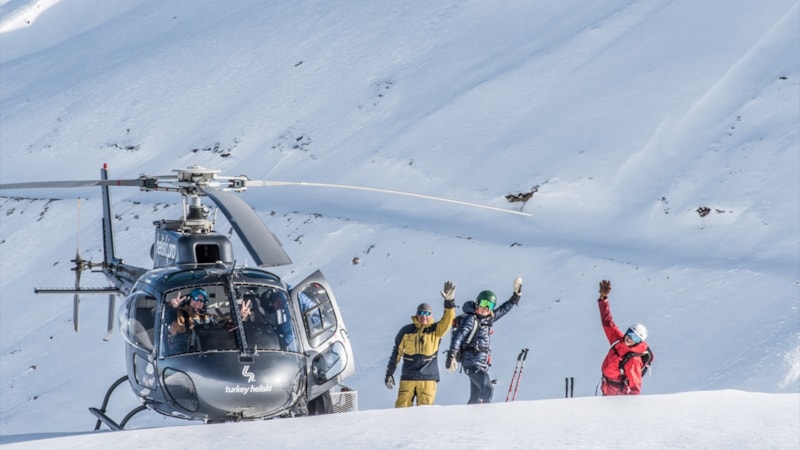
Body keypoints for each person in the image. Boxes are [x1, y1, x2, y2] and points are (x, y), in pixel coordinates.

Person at [446, 277, 522, 404]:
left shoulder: (487, 319)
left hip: (480, 364)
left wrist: (515, 297)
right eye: (483, 303)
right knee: (487, 389)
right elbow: (459, 335)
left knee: (475, 397)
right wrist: (452, 354)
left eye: (489, 305)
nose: (485, 308)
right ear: (477, 303)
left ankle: (469, 415)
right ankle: (485, 414)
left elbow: (503, 310)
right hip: (472, 363)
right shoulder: (470, 319)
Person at [384, 281, 457, 407]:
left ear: (431, 316)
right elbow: (396, 353)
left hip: (428, 378)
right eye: (421, 313)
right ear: (417, 315)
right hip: (408, 377)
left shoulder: (436, 330)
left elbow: (448, 320)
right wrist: (389, 373)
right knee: (401, 409)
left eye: (427, 313)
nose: (424, 316)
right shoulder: (406, 331)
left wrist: (449, 302)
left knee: (425, 411)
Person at [596, 279, 650, 395]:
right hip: (606, 386)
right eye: (630, 333)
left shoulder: (633, 360)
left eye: (635, 338)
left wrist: (629, 404)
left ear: (639, 342)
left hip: (618, 394)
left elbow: (635, 387)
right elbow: (607, 322)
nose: (629, 338)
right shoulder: (619, 340)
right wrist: (603, 298)